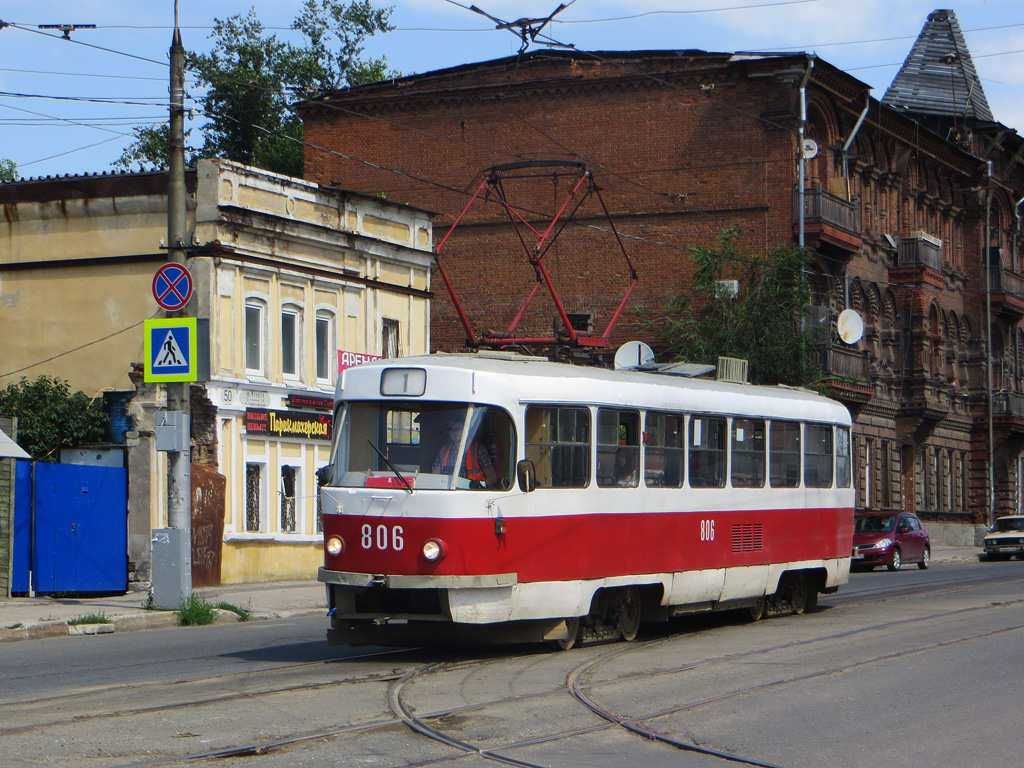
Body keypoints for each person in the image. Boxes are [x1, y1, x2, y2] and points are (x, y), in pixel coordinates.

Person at [432, 420, 498, 486]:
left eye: (456, 429)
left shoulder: (478, 449)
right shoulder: (443, 451)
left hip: (472, 493)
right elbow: (434, 477)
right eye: (451, 430)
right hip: (450, 493)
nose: (453, 432)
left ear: (465, 429)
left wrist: (479, 488)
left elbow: (492, 478)